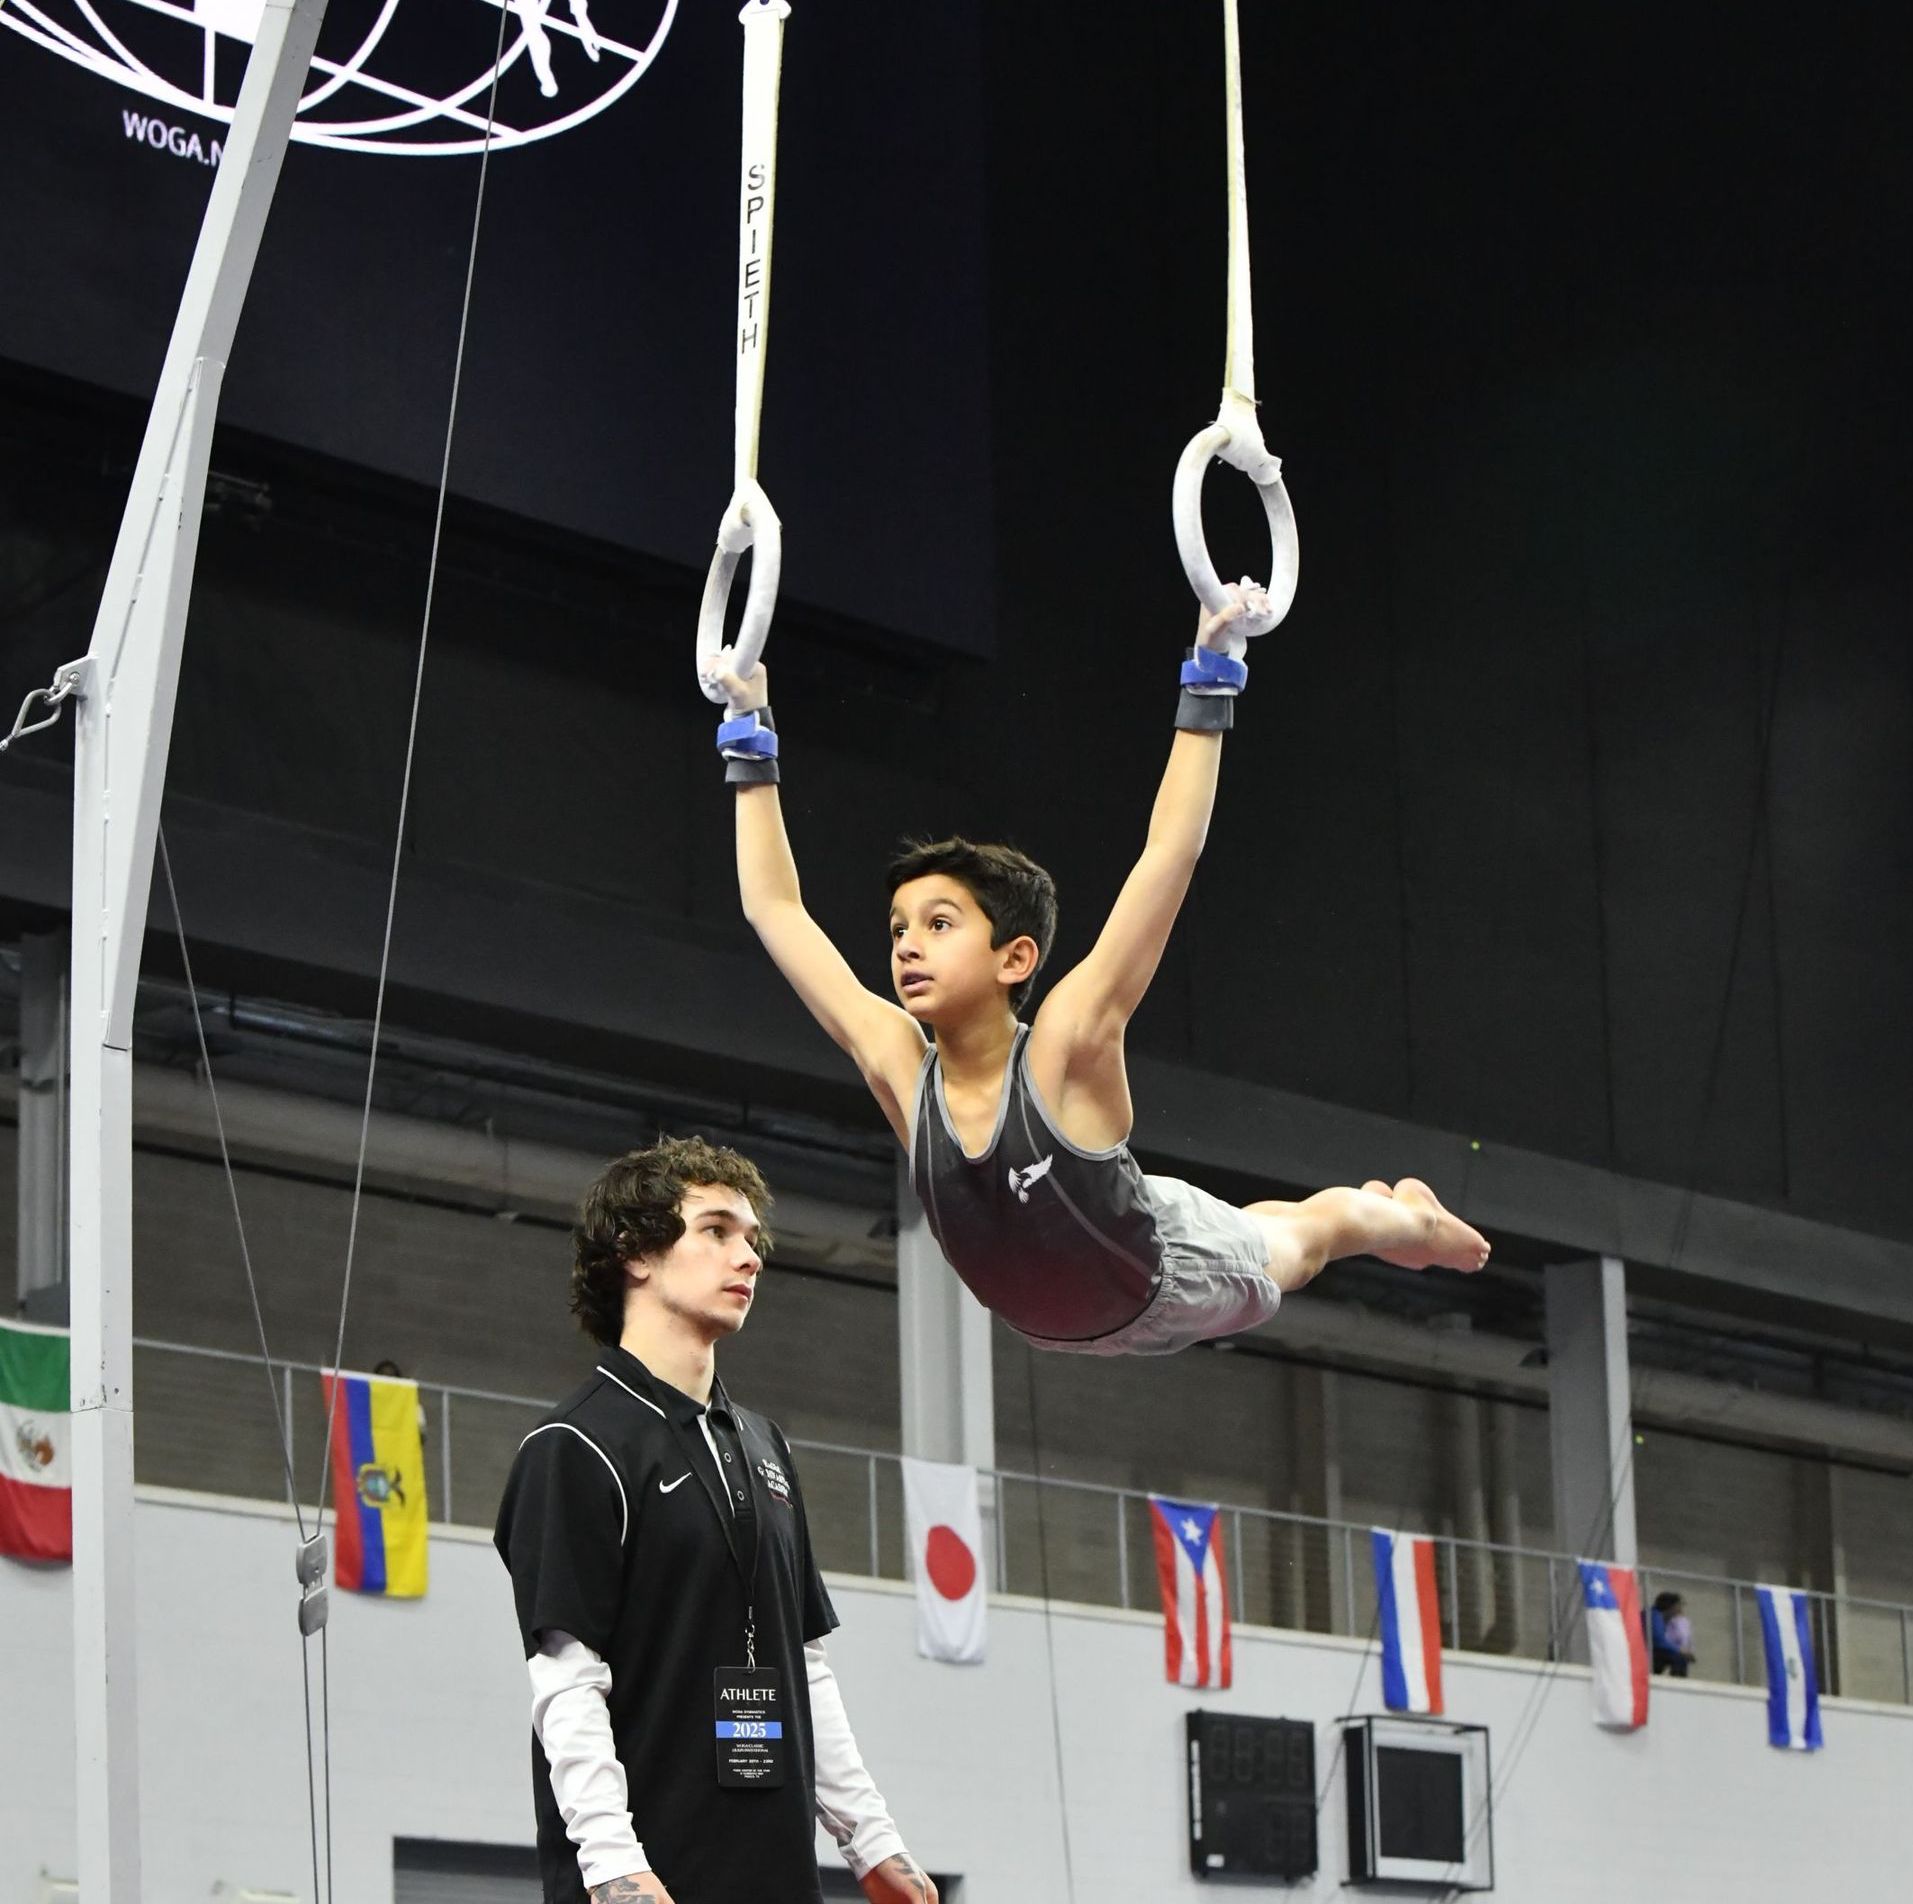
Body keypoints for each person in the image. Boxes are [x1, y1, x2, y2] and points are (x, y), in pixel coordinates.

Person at [710, 589, 1490, 1358]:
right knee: (1268, 1223)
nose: (906, 946)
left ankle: (1408, 1222)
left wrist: (1211, 673)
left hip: (1170, 1279)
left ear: (1015, 958)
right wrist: (748, 733)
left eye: (939, 925)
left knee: (1308, 1240)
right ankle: (1385, 1215)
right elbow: (775, 911)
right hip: (1059, 1326)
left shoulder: (1064, 1046)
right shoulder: (896, 1064)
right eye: (898, 930)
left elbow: (1167, 856)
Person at [495, 1136, 935, 1904]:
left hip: (773, 1876)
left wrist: (870, 1839)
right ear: (636, 1254)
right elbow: (566, 1681)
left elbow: (806, 1664)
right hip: (649, 1876)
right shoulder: (573, 1448)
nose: (750, 1257)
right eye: (717, 1230)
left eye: (752, 1238)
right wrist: (611, 1864)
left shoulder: (763, 1446)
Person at [1651, 1591, 1694, 1677]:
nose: (1681, 1609)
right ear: (1672, 1606)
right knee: (1679, 1658)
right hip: (1645, 1652)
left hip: (1652, 1652)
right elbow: (1659, 1641)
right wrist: (1680, 1650)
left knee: (1677, 1656)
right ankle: (1679, 1682)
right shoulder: (1654, 1616)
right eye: (1679, 1605)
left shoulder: (1666, 1620)